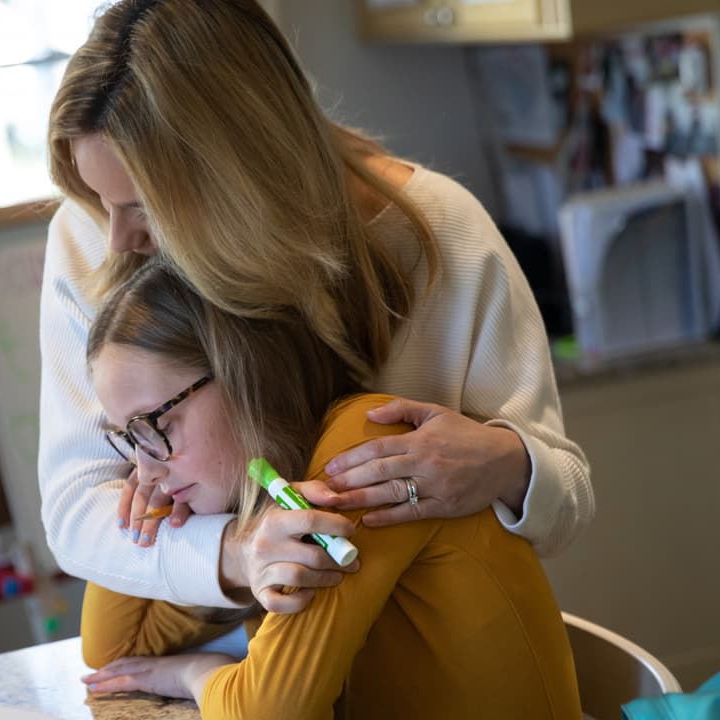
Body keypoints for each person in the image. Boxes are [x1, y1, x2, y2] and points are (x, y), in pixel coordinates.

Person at [39, 0, 594, 614]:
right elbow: (75, 510)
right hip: (219, 676)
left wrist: (506, 463)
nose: (117, 238)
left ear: (237, 178)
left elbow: (565, 504)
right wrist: (236, 551)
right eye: (97, 198)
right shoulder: (89, 233)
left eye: (144, 205)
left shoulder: (442, 232)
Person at [76, 261, 581, 719]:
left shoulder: (363, 455)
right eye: (128, 438)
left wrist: (194, 674)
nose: (144, 471)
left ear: (241, 372)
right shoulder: (252, 495)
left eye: (152, 424)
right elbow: (114, 651)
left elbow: (265, 714)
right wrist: (169, 491)